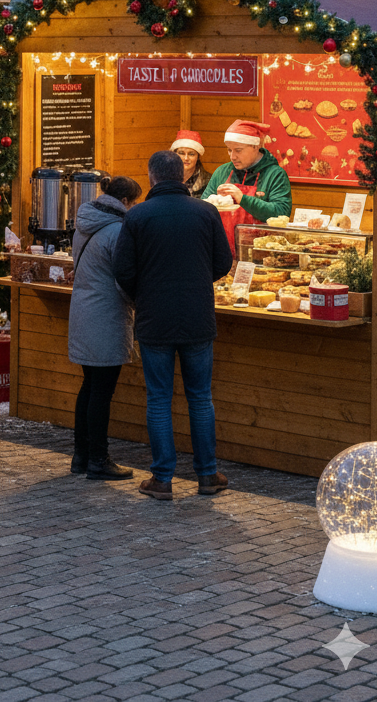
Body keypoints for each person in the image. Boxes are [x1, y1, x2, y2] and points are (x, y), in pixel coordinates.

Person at [113, 150, 233, 500]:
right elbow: (222, 263)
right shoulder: (206, 212)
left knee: (159, 399)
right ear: (181, 176)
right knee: (200, 398)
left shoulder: (138, 217)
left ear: (151, 177)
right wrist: (197, 282)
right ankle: (208, 475)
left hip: (154, 320)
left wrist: (143, 294)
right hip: (198, 317)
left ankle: (162, 479)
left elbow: (123, 269)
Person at [68, 175, 142, 481]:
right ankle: (99, 459)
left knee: (89, 387)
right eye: (135, 203)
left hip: (84, 313)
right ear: (125, 202)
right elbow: (124, 279)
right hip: (106, 315)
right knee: (101, 391)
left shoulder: (85, 223)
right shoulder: (116, 231)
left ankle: (81, 456)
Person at [201, 119, 292, 256]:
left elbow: (281, 212)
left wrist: (243, 199)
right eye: (229, 150)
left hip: (262, 253)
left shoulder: (275, 174)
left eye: (238, 150)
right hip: (223, 252)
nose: (233, 156)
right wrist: (214, 201)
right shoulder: (222, 172)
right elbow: (203, 209)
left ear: (256, 146)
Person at [171, 130, 210, 198]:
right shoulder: (165, 179)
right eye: (181, 153)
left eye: (191, 154)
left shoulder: (209, 181)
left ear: (198, 157)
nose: (186, 158)